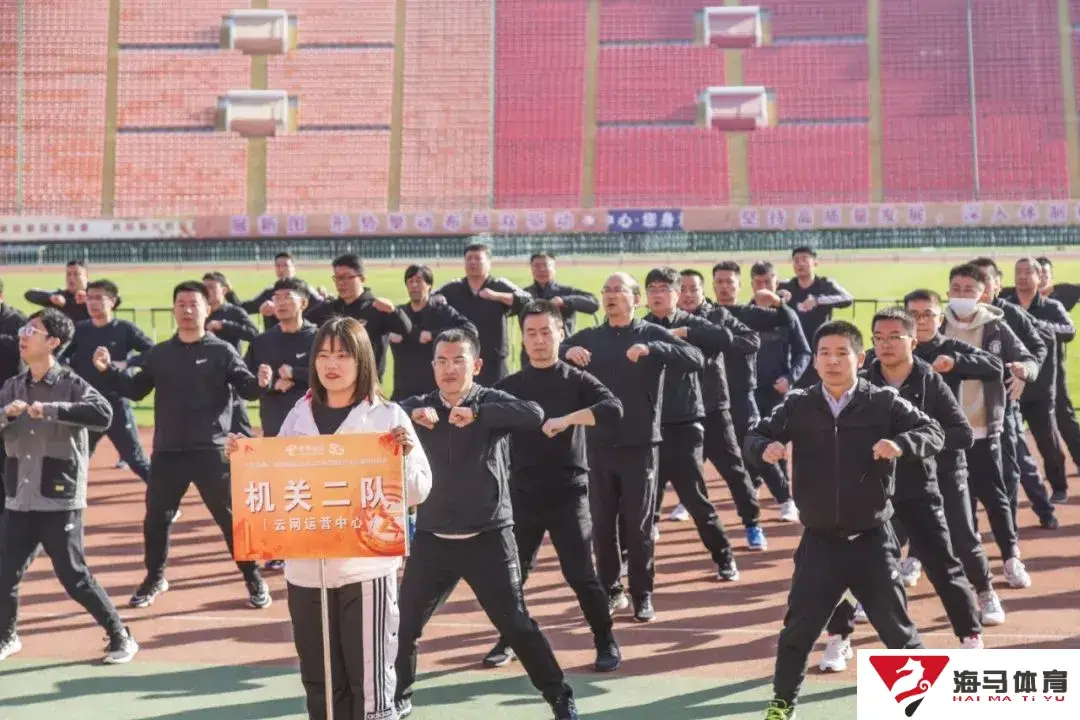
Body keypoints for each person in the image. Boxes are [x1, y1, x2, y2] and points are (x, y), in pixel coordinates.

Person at [228, 316, 432, 720]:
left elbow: (418, 490)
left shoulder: (387, 417)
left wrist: (405, 456)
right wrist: (245, 459)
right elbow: (275, 483)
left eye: (342, 355)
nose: (331, 364)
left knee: (370, 683)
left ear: (362, 360)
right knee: (320, 681)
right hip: (306, 571)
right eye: (323, 355)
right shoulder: (298, 415)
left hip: (365, 569)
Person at [746, 320, 941, 720]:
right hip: (820, 542)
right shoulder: (799, 404)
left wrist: (901, 444)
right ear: (815, 361)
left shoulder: (882, 401)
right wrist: (765, 447)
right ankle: (782, 704)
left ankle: (925, 708)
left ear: (860, 358)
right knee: (798, 632)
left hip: (872, 540)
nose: (832, 361)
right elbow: (753, 435)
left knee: (898, 633)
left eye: (841, 353)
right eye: (824, 354)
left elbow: (933, 431)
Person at [395, 328, 578, 720]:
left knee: (516, 625)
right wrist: (410, 417)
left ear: (476, 365)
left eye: (458, 360)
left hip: (488, 537)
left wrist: (478, 414)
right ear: (432, 366)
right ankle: (398, 697)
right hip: (433, 539)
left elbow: (533, 414)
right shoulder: (420, 407)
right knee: (402, 624)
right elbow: (384, 416)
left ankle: (559, 696)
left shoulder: (489, 401)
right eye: (441, 361)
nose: (449, 369)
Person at [819, 308, 982, 675]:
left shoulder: (929, 382)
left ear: (913, 341)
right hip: (869, 493)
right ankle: (838, 638)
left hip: (917, 489)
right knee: (848, 568)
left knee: (943, 564)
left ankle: (970, 636)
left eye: (895, 337)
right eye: (879, 337)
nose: (886, 344)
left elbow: (961, 433)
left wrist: (908, 444)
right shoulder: (860, 381)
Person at [92, 281, 272, 610]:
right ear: (174, 309)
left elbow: (246, 388)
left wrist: (261, 384)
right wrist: (106, 372)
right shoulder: (161, 353)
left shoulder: (221, 351)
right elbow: (135, 390)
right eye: (181, 304)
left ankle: (253, 577)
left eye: (194, 304)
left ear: (207, 309)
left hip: (210, 450)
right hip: (168, 452)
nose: (187, 310)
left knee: (230, 519)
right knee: (155, 520)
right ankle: (155, 578)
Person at [482, 301, 622, 672]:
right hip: (523, 493)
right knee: (512, 574)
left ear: (561, 334)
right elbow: (480, 417)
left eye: (546, 332)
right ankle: (509, 638)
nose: (539, 340)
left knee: (580, 574)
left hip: (568, 491)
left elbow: (613, 408)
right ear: (522, 339)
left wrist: (568, 419)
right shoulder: (511, 386)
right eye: (531, 333)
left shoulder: (576, 380)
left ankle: (605, 639)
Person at [562, 272, 703, 622]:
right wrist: (567, 350)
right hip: (597, 445)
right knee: (602, 525)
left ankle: (642, 593)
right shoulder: (590, 338)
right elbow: (550, 353)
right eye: (606, 290)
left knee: (638, 527)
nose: (611, 296)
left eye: (619, 290)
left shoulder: (650, 333)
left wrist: (653, 349)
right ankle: (611, 589)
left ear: (635, 299)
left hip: (640, 445)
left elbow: (695, 357)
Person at [0, 309, 138, 664]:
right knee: (4, 572)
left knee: (73, 576)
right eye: (24, 329)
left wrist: (51, 409)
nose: (23, 335)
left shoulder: (72, 383)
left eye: (32, 330)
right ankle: (7, 637)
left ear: (53, 342)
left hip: (58, 497)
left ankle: (120, 634)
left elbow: (103, 414)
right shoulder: (13, 386)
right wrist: (6, 415)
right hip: (19, 497)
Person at [903, 289, 1008, 626]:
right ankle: (871, 596)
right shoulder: (894, 351)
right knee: (884, 533)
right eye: (914, 315)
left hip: (947, 457)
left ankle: (986, 591)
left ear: (940, 318)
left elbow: (994, 365)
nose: (921, 321)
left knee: (962, 534)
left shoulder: (950, 348)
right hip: (903, 459)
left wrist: (957, 363)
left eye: (928, 314)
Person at [940, 264, 1034, 589]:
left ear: (983, 293)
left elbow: (1028, 358)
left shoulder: (996, 327)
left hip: (983, 426)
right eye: (956, 288)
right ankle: (950, 559)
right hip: (945, 432)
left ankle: (1010, 557)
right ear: (948, 291)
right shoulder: (937, 325)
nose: (962, 295)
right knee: (949, 497)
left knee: (994, 495)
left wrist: (1023, 372)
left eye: (969, 289)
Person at [641, 267, 741, 573]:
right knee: (641, 497)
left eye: (663, 289)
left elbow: (724, 337)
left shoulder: (690, 322)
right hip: (647, 426)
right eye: (652, 289)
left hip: (685, 423)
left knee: (694, 496)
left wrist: (685, 333)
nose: (657, 295)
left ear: (676, 294)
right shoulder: (641, 327)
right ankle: (631, 561)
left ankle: (724, 556)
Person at [677, 269, 769, 540]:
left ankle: (752, 524)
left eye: (693, 288)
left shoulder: (717, 316)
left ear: (703, 291)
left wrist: (715, 341)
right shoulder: (663, 321)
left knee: (734, 469)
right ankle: (656, 521)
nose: (688, 294)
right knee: (666, 470)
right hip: (677, 410)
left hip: (714, 405)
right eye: (682, 289)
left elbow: (751, 340)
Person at [969, 257, 1057, 530]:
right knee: (965, 472)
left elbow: (1040, 344)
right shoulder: (957, 319)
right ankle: (969, 531)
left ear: (997, 284)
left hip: (1004, 403)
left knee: (1017, 465)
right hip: (966, 407)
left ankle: (1040, 512)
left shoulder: (1011, 314)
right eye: (973, 282)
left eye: (985, 281)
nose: (979, 287)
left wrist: (1024, 373)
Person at [710, 262, 798, 521]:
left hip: (741, 394)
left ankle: (785, 500)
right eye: (719, 282)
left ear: (739, 285)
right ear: (713, 285)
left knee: (755, 446)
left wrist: (779, 303)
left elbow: (788, 321)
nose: (724, 286)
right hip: (709, 393)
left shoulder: (750, 314)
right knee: (694, 451)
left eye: (729, 281)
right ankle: (684, 502)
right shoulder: (706, 314)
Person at [243, 278, 319, 572]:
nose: (281, 303)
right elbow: (246, 384)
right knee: (280, 487)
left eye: (288, 297)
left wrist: (296, 373)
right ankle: (280, 547)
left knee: (313, 486)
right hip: (275, 423)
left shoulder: (319, 338)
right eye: (277, 298)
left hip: (315, 424)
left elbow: (334, 374)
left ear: (304, 302)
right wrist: (269, 383)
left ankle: (318, 543)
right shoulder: (262, 342)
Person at [60, 280, 153, 484]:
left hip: (116, 404)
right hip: (88, 404)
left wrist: (128, 363)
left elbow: (152, 351)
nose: (92, 303)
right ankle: (67, 501)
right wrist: (68, 374)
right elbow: (61, 357)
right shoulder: (80, 330)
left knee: (135, 459)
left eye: (98, 298)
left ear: (112, 301)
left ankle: (165, 497)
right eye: (89, 298)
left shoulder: (125, 329)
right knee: (76, 459)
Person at [1002, 257, 1075, 503]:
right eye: (1018, 272)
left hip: (1041, 388)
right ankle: (1006, 494)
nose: (1022, 277)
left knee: (1048, 443)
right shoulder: (1005, 306)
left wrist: (1036, 324)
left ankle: (1059, 487)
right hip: (1010, 386)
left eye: (1027, 272)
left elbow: (1069, 331)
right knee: (1005, 444)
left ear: (1038, 276)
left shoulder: (1051, 306)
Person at [434, 243, 532, 385]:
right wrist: (437, 299)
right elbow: (430, 300)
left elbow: (528, 301)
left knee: (498, 393)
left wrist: (497, 296)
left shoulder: (499, 285)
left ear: (489, 262)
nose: (472, 262)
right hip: (461, 357)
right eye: (469, 259)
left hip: (494, 357)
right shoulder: (453, 288)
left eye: (478, 258)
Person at [307, 254, 412, 381]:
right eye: (337, 278)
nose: (341, 283)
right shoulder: (331, 308)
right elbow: (302, 322)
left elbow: (406, 329)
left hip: (367, 384)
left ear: (362, 278)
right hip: (335, 382)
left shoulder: (376, 308)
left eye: (346, 277)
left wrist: (394, 311)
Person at [389, 264, 477, 402]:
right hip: (404, 389)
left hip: (434, 390)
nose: (414, 285)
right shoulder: (399, 314)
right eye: (410, 281)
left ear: (429, 285)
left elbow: (470, 330)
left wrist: (434, 335)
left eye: (419, 281)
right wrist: (388, 336)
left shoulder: (441, 311)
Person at [777, 247, 853, 389]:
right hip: (795, 348)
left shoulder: (825, 284)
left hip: (820, 346)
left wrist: (818, 300)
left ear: (815, 263)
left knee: (822, 387)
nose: (800, 264)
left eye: (805, 259)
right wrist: (778, 297)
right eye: (796, 260)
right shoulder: (786, 287)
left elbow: (847, 298)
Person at [1035, 256, 1080, 479]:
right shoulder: (1017, 298)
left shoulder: (1060, 296)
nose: (1042, 277)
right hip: (1023, 368)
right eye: (1038, 272)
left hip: (1053, 368)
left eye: (1045, 273)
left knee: (1064, 416)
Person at [203, 272, 260, 438]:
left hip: (230, 376)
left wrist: (225, 325)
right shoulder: (201, 313)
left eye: (211, 287)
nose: (206, 291)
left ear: (224, 289)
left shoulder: (234, 312)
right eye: (204, 287)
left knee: (238, 425)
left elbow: (254, 334)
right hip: (204, 375)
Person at [519, 253, 599, 365]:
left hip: (562, 351)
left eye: (546, 265)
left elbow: (593, 304)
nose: (541, 269)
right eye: (537, 266)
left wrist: (564, 301)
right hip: (531, 353)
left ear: (554, 268)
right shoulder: (523, 294)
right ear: (531, 268)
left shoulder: (566, 292)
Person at [240, 252, 327, 330]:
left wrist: (326, 297)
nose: (281, 269)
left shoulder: (305, 290)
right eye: (278, 266)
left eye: (286, 265)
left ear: (293, 268)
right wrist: (260, 308)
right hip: (274, 340)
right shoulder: (269, 292)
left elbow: (325, 310)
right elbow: (244, 308)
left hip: (302, 337)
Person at [23, 260, 90, 323]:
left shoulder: (93, 293)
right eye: (68, 274)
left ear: (86, 277)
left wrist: (89, 299)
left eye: (76, 274)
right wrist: (51, 298)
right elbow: (29, 294)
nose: (71, 278)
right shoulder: (61, 295)